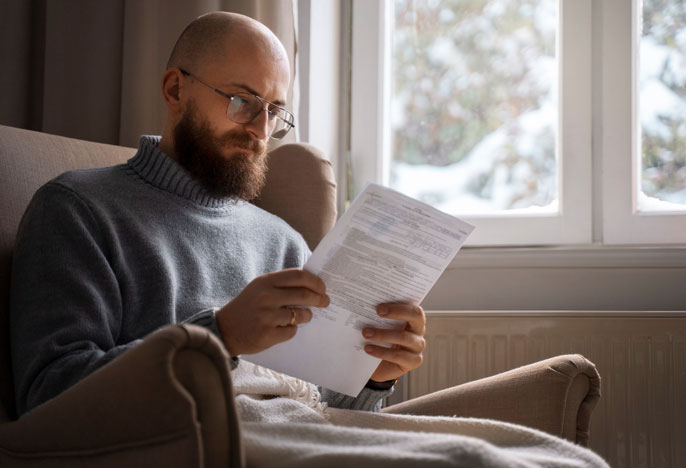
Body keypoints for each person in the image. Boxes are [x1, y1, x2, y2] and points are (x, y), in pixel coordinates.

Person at [9, 11, 426, 417]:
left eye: (275, 111)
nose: (261, 131)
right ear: (175, 90)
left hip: (303, 440)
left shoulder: (284, 243)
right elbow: (50, 398)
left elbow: (314, 407)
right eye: (243, 101)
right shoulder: (78, 210)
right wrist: (219, 335)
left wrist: (374, 377)